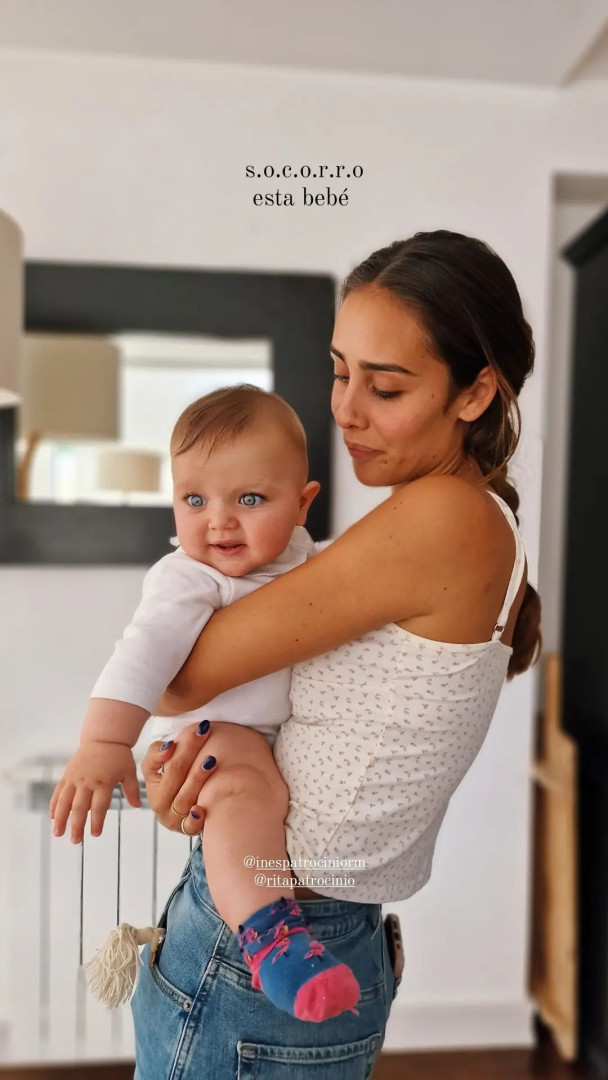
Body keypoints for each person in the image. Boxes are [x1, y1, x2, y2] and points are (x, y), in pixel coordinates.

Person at [131, 229, 542, 1079]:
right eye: (339, 370)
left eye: (385, 386)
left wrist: (184, 583)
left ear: (475, 395)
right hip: (307, 928)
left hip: (270, 946)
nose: (345, 409)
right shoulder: (470, 521)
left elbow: (174, 675)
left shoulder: (441, 520)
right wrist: (217, 793)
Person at [49, 385, 362, 1021]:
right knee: (243, 789)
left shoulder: (313, 562)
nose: (217, 520)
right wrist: (104, 742)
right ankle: (272, 939)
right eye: (195, 499)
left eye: (249, 498)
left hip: (277, 745)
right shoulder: (192, 577)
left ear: (302, 504)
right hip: (219, 734)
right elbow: (144, 651)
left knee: (259, 798)